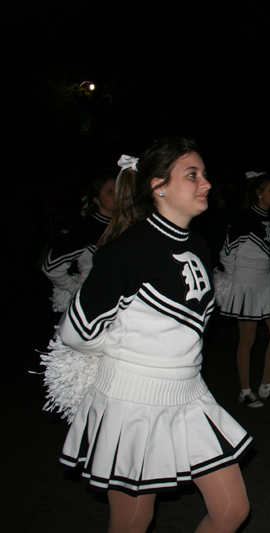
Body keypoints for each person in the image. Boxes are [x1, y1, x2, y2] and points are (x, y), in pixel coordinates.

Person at [58, 138, 252, 533]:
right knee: (132, 521)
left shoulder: (198, 244)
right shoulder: (128, 248)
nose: (206, 184)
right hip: (134, 402)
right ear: (158, 186)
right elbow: (75, 332)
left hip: (190, 393)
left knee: (231, 509)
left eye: (205, 174)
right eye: (192, 175)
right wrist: (129, 351)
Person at [219, 173, 270, 406]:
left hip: (265, 282)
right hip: (246, 283)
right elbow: (226, 254)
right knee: (247, 339)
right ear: (258, 193)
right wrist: (236, 280)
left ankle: (266, 386)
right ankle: (245, 390)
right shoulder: (245, 218)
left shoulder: (269, 218)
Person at [42, 175, 116, 311]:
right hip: (94, 302)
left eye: (119, 190)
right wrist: (75, 289)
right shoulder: (86, 229)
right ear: (96, 199)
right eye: (110, 192)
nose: (117, 195)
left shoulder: (123, 225)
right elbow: (50, 266)